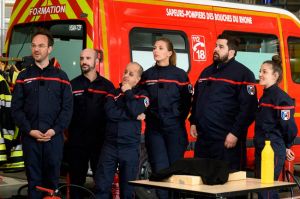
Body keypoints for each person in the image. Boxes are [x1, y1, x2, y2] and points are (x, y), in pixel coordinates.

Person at [11, 28, 73, 198]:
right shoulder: (23, 76)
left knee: (52, 182)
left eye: (41, 45)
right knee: (34, 183)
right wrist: (29, 130)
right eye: (33, 46)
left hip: (54, 139)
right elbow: (16, 108)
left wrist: (54, 130)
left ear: (50, 49)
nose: (36, 49)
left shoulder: (61, 76)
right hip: (31, 139)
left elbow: (67, 109)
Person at [189, 33, 258, 171]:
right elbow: (196, 98)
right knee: (202, 177)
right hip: (204, 139)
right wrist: (194, 122)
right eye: (216, 46)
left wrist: (235, 133)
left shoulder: (243, 74)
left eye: (221, 47)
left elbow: (249, 109)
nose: (215, 49)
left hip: (227, 140)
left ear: (231, 52)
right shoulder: (206, 72)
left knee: (229, 180)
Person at [140, 37, 192, 199]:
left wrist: (175, 118)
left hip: (174, 129)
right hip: (154, 130)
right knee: (160, 171)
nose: (156, 51)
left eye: (160, 48)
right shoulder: (147, 75)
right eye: (154, 48)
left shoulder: (180, 75)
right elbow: (142, 100)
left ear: (169, 53)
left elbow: (187, 102)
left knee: (175, 170)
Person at [94, 62, 148, 199]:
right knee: (102, 186)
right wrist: (133, 116)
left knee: (128, 191)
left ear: (138, 79)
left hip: (130, 148)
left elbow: (136, 109)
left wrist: (128, 92)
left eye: (131, 74)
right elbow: (110, 114)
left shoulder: (142, 95)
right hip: (110, 146)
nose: (126, 76)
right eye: (125, 72)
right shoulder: (112, 94)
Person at [66, 48, 114, 198]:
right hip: (77, 142)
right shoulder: (72, 85)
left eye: (88, 58)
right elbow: (66, 112)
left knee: (101, 181)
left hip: (100, 142)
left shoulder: (107, 86)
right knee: (76, 182)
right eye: (81, 58)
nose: (84, 62)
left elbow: (113, 113)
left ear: (96, 61)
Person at [254, 55, 297, 199]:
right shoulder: (265, 96)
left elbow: (290, 128)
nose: (260, 74)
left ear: (275, 75)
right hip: (262, 147)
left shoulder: (281, 98)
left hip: (273, 149)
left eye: (264, 71)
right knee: (261, 187)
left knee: (266, 189)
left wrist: (286, 146)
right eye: (260, 71)